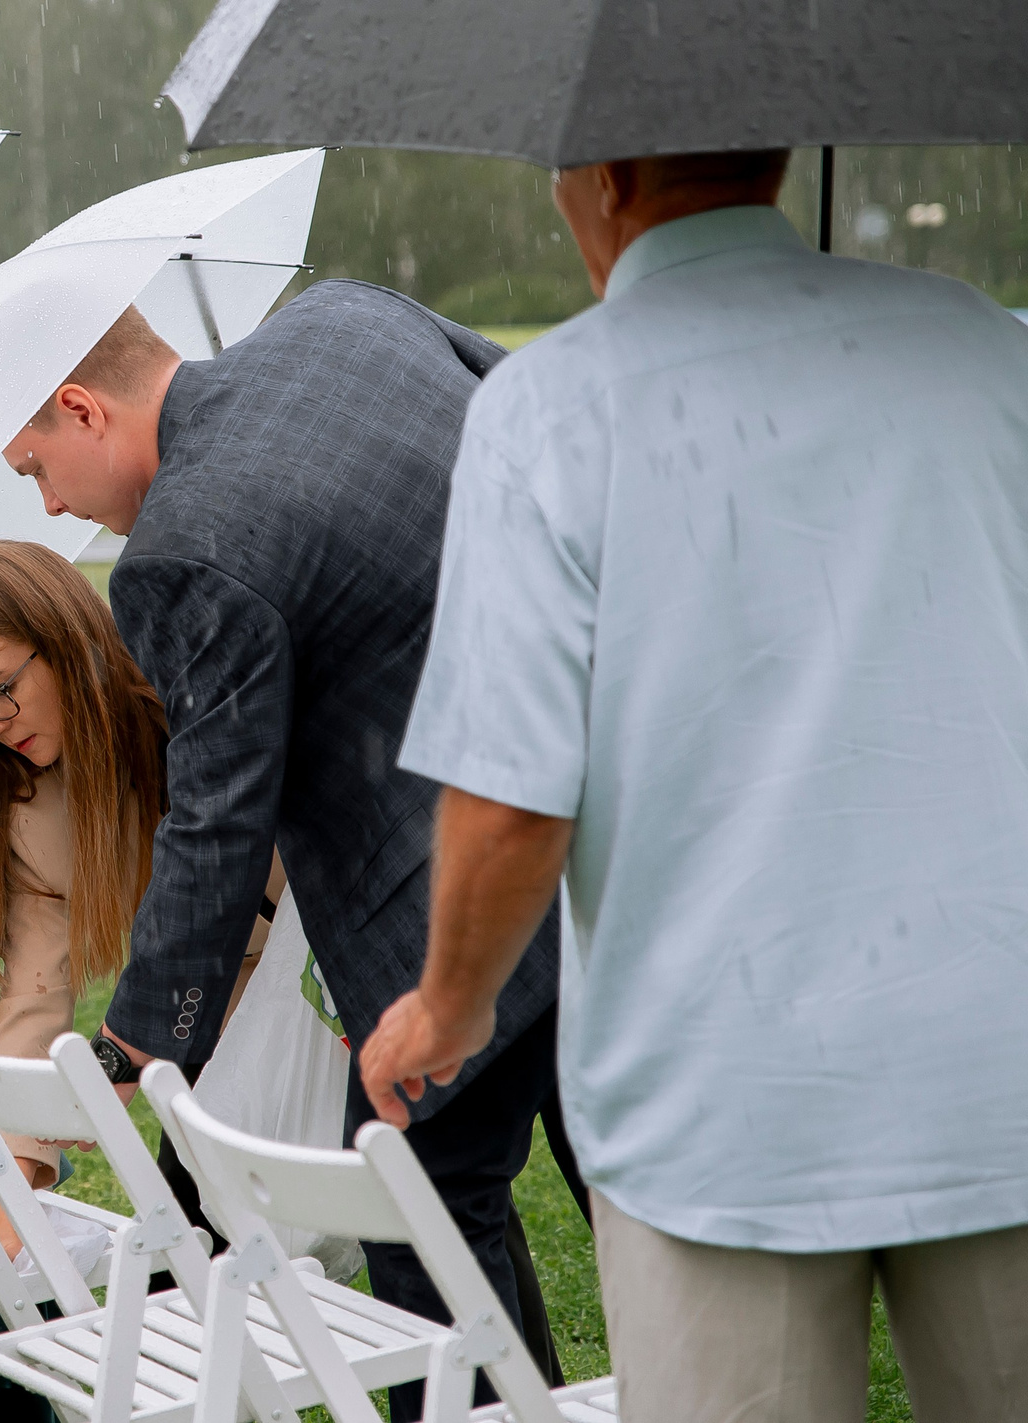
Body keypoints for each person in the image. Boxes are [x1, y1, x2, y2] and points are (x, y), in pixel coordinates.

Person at [365, 150, 1028, 1420]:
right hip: (994, 1054)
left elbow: (511, 801)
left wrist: (447, 1007)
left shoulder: (551, 406)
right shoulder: (981, 344)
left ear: (604, 176)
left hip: (725, 1097)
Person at [0, 292, 570, 1413]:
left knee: (420, 1233)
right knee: (648, 1220)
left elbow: (216, 822)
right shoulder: (346, 314)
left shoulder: (176, 553)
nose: (53, 501)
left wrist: (131, 1045)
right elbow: (537, 423)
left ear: (83, 407)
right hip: (611, 831)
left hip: (442, 911)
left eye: (37, 468)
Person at [0, 542, 279, 1217]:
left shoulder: (192, 700)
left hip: (347, 990)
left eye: (0, 690)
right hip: (209, 1040)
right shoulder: (29, 809)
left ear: (64, 644)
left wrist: (124, 1056)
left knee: (423, 1225)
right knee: (196, 1236)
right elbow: (31, 996)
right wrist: (7, 1193)